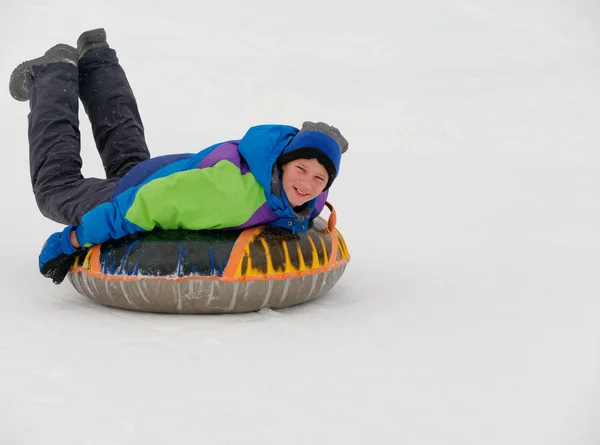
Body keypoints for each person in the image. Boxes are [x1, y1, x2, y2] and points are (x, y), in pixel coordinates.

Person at [9, 28, 349, 285]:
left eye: (319, 178)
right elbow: (141, 207)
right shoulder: (232, 195)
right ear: (283, 164)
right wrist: (71, 240)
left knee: (128, 159)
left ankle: (98, 61)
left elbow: (315, 168)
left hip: (170, 174)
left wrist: (324, 140)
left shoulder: (305, 194)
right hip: (155, 190)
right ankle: (53, 72)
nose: (307, 184)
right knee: (55, 189)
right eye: (301, 169)